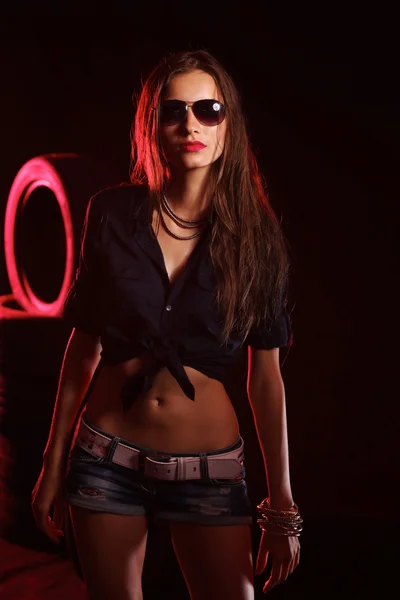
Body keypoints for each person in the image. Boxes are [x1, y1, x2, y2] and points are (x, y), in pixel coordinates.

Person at [31, 49, 302, 600]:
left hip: (211, 472)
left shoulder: (259, 239)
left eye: (209, 109)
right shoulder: (110, 213)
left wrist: (281, 505)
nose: (191, 125)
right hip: (103, 461)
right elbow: (84, 348)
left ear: (230, 126)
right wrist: (52, 462)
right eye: (174, 111)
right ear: (153, 127)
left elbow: (266, 379)